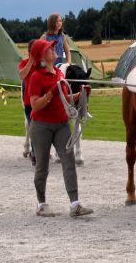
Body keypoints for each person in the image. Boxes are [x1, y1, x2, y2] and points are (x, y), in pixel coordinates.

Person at [27, 39, 93, 218]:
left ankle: (75, 204)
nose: (54, 49)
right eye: (49, 48)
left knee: (69, 161)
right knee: (42, 166)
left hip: (62, 123)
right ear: (42, 56)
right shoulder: (36, 77)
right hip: (41, 126)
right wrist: (50, 94)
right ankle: (41, 204)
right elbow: (35, 106)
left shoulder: (58, 73)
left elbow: (66, 99)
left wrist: (81, 94)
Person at [19, 39, 37, 165]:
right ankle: (35, 154)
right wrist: (31, 61)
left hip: (42, 102)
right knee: (33, 128)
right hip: (29, 103)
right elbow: (22, 75)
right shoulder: (24, 63)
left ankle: (38, 152)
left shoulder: (42, 64)